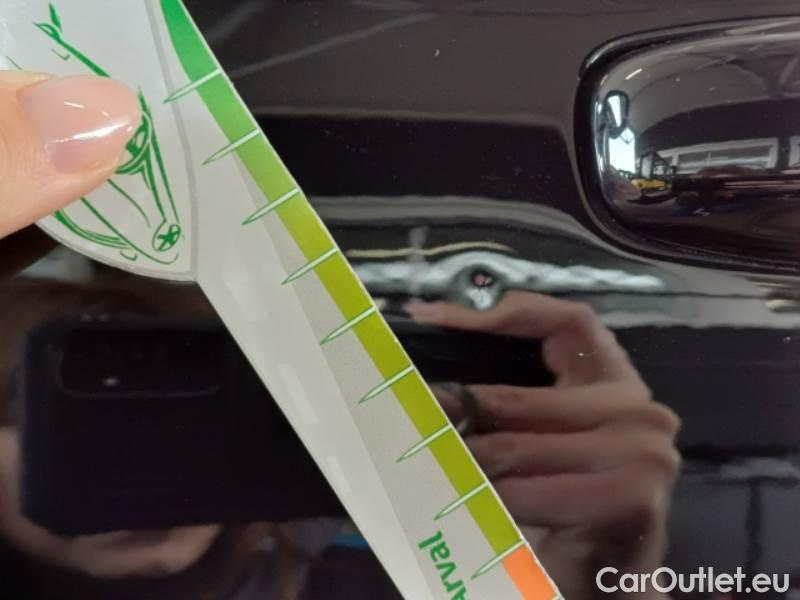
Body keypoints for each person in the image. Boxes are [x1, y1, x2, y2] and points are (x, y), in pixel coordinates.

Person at [0, 70, 682, 599]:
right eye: (35, 403)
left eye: (168, 392)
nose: (134, 447)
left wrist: (586, 580)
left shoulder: (392, 576)